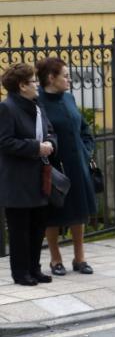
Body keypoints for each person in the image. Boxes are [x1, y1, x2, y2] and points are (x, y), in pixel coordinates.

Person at [36, 57, 97, 276]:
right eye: (65, 75)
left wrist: (87, 150)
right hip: (53, 166)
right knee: (53, 213)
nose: (69, 79)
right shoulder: (38, 102)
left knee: (79, 211)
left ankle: (80, 258)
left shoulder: (70, 98)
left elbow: (84, 128)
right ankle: (55, 259)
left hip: (77, 165)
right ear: (51, 78)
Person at [0, 63, 57, 286]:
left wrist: (50, 143)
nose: (37, 86)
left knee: (37, 227)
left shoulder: (36, 106)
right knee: (20, 230)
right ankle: (21, 272)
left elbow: (50, 131)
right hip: (17, 179)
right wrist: (36, 147)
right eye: (33, 82)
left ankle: (35, 268)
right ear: (22, 85)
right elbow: (4, 142)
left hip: (38, 176)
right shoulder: (7, 108)